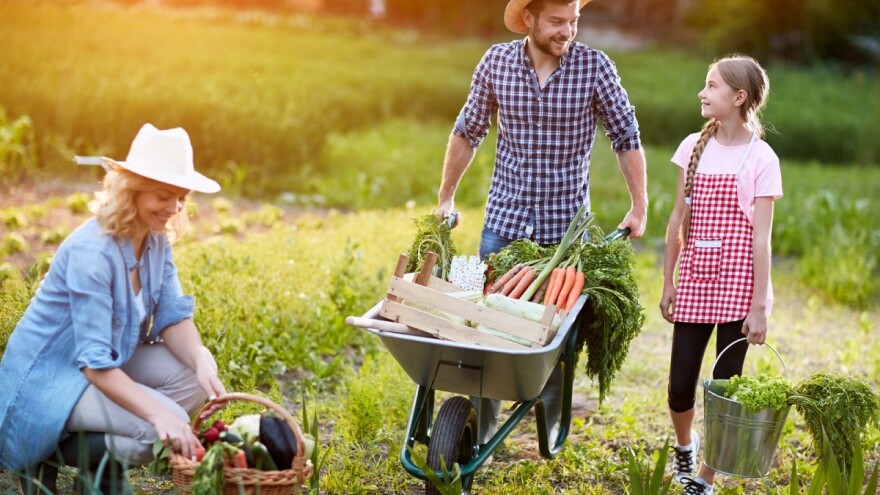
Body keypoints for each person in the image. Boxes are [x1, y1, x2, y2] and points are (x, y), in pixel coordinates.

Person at [436, 0, 648, 448]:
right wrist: (446, 197)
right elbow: (468, 130)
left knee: (554, 336)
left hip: (564, 232)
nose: (567, 30)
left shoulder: (595, 67)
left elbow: (626, 134)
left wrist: (639, 206)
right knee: (487, 327)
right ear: (529, 19)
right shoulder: (497, 62)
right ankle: (481, 429)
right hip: (504, 222)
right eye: (556, 21)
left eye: (573, 21)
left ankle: (549, 415)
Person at [0, 123, 227, 494]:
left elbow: (173, 315)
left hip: (107, 361)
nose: (174, 208)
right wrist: (158, 413)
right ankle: (49, 453)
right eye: (163, 196)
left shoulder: (154, 239)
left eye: (181, 197)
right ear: (131, 190)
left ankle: (96, 459)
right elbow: (94, 363)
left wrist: (201, 360)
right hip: (54, 376)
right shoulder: (93, 252)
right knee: (157, 427)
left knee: (192, 374)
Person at [659, 55, 781, 495]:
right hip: (695, 279)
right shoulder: (693, 145)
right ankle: (685, 445)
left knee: (725, 390)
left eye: (712, 86)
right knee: (680, 386)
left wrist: (759, 307)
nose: (703, 92)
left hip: (739, 287)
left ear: (739, 97)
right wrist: (668, 280)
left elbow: (762, 240)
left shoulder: (761, 157)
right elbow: (677, 219)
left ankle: (705, 478)